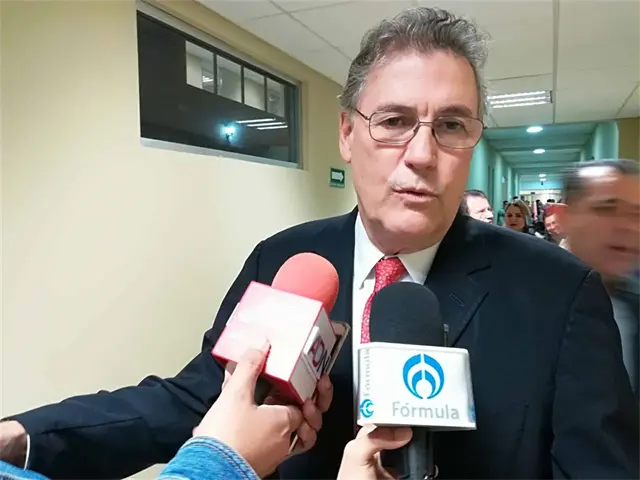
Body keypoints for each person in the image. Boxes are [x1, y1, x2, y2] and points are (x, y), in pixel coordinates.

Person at [1, 7, 639, 480]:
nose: (422, 154)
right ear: (346, 135)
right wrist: (24, 437)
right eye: (393, 121)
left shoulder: (558, 292)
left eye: (451, 125)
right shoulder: (286, 261)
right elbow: (201, 399)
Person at [0, 345, 411, 480]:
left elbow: (186, 402)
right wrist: (221, 460)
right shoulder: (276, 254)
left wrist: (20, 438)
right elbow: (198, 400)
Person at [558, 159, 640, 396]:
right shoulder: (518, 306)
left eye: (637, 214)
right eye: (607, 209)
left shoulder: (632, 311)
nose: (629, 227)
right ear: (563, 217)